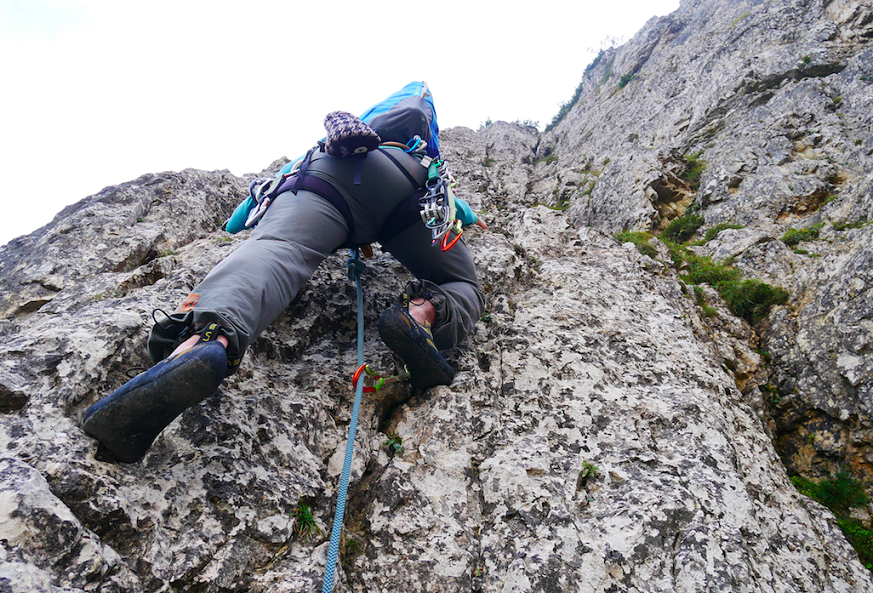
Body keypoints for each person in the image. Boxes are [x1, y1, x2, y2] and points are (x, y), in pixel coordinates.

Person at [81, 92, 486, 464]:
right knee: (463, 285)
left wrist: (234, 223)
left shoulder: (315, 153)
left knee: (277, 249)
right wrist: (471, 218)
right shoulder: (415, 151)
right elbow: (461, 211)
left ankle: (204, 342)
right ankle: (422, 315)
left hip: (327, 176)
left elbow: (243, 217)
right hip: (411, 187)